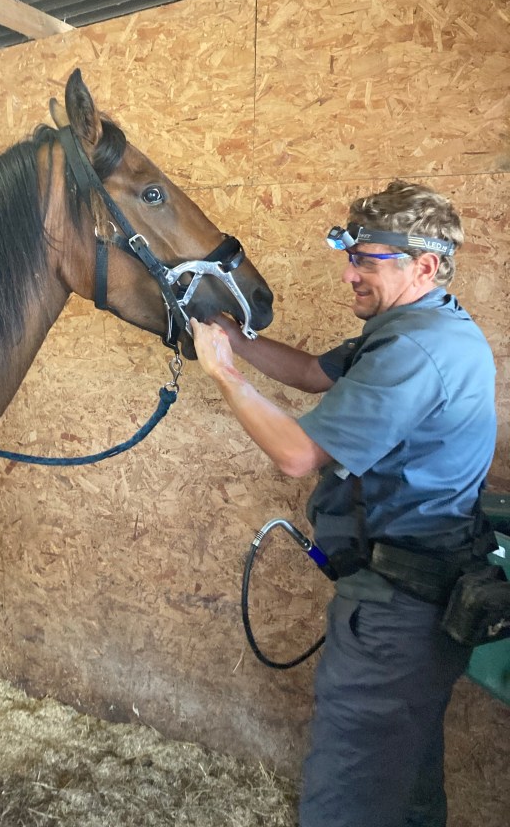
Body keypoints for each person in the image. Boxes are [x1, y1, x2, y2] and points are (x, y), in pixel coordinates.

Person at [190, 180, 497, 827]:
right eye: (350, 256)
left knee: (348, 797)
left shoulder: (415, 350)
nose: (349, 274)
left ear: (424, 266)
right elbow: (312, 374)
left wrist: (223, 372)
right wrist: (234, 338)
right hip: (419, 601)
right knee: (406, 788)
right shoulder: (419, 324)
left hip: (396, 614)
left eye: (366, 260)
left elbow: (297, 455)